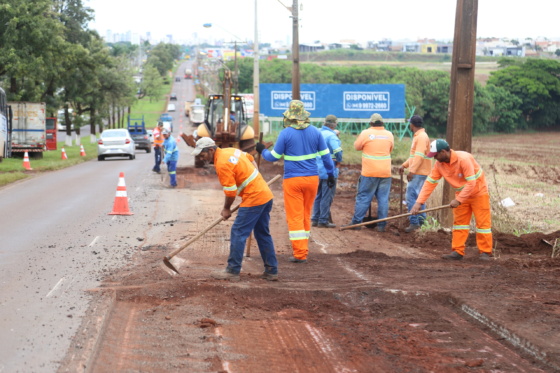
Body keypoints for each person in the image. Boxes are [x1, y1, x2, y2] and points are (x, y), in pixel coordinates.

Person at [256, 100, 335, 263]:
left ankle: (300, 254)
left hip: (293, 180)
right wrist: (331, 174)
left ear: (290, 117)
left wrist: (262, 150)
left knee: (295, 216)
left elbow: (274, 157)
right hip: (312, 180)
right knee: (306, 214)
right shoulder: (315, 132)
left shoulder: (286, 133)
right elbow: (327, 157)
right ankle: (303, 248)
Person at [192, 137, 278, 281]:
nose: (202, 159)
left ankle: (232, 271)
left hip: (254, 198)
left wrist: (226, 209)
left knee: (238, 232)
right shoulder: (230, 151)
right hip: (265, 194)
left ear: (211, 150)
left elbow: (230, 191)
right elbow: (250, 158)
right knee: (262, 233)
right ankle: (271, 271)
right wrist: (258, 179)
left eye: (203, 155)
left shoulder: (221, 164)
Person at [410, 139, 493, 261]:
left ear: (443, 152)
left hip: (478, 193)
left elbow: (471, 183)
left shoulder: (463, 159)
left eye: (436, 155)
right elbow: (430, 183)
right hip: (462, 195)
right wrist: (419, 202)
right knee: (460, 224)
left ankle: (485, 252)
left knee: (482, 224)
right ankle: (457, 251)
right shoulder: (439, 165)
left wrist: (458, 200)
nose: (435, 158)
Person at [345, 113, 394, 232]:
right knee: (383, 199)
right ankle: (381, 226)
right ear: (382, 123)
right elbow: (390, 149)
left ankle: (356, 223)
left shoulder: (366, 133)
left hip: (370, 172)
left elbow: (357, 146)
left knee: (364, 197)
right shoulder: (389, 134)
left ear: (371, 123)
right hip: (385, 172)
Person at [398, 115, 432, 232]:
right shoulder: (420, 136)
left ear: (412, 124)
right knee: (419, 197)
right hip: (420, 171)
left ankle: (414, 223)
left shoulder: (421, 137)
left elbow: (419, 156)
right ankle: (422, 223)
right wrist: (404, 165)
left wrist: (412, 171)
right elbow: (414, 156)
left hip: (419, 172)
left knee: (411, 196)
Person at [311, 115, 343, 228]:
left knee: (318, 194)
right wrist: (339, 161)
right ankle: (323, 220)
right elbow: (338, 151)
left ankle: (315, 218)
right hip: (328, 170)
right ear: (334, 124)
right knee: (327, 195)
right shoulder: (332, 136)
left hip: (315, 169)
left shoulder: (317, 132)